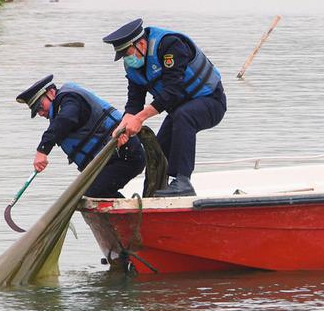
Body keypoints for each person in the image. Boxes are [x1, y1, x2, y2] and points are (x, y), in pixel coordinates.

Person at [102, 18, 226, 197]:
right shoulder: (134, 66)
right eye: (123, 56)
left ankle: (183, 182)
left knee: (184, 116)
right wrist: (124, 125)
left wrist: (140, 118)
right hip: (180, 110)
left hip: (211, 102)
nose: (127, 59)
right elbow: (134, 101)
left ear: (141, 44)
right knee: (158, 148)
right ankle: (153, 192)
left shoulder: (170, 46)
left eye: (128, 53)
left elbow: (172, 92)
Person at [16, 74, 145, 198]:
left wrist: (42, 150)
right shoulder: (58, 113)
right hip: (106, 163)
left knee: (93, 192)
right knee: (86, 193)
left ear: (51, 92)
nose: (41, 113)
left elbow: (66, 119)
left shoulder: (70, 99)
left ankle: (136, 217)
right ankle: (129, 217)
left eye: (40, 106)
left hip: (126, 155)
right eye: (37, 111)